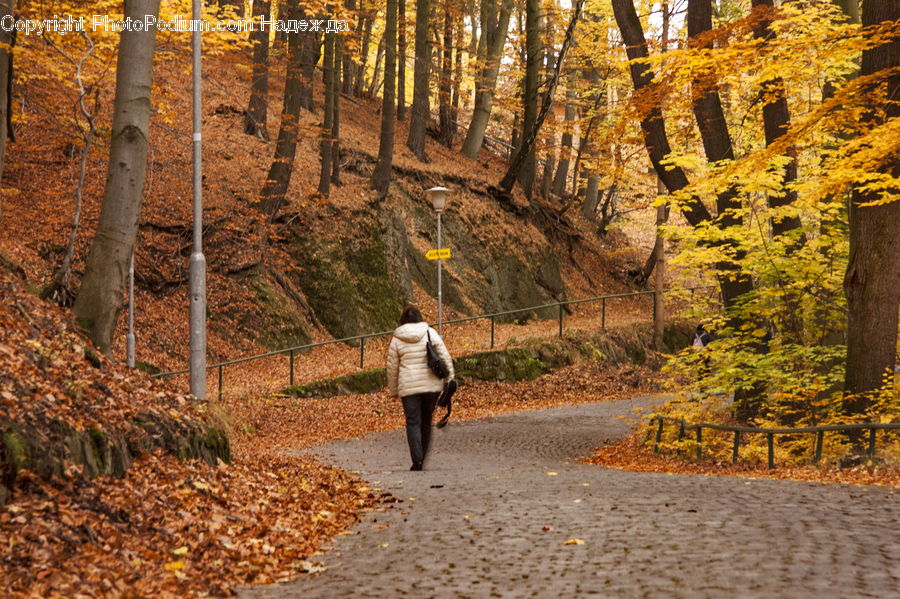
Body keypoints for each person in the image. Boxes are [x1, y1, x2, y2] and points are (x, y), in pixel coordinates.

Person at [386, 306, 454, 471]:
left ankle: (417, 460)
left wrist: (394, 390)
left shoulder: (397, 339)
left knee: (413, 422)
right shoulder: (429, 332)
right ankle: (422, 456)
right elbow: (444, 355)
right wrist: (450, 378)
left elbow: (392, 367)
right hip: (431, 386)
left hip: (408, 388)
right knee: (426, 421)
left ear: (403, 320)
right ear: (419, 318)